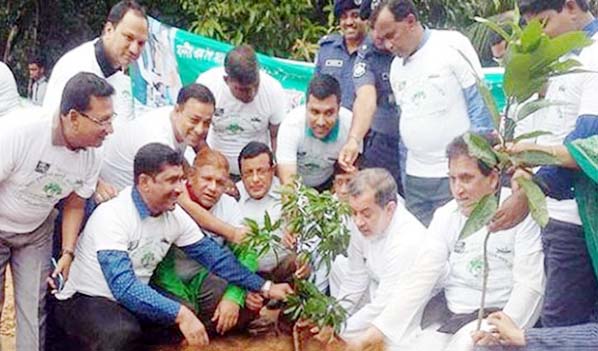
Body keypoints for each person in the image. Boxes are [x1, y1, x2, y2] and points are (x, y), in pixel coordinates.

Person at [53, 143, 292, 350]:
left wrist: (265, 286)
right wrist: (180, 313)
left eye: (180, 179)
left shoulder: (174, 214)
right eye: (171, 181)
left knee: (171, 325)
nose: (180, 189)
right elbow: (123, 287)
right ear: (144, 182)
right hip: (88, 298)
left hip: (132, 299)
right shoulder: (113, 215)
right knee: (122, 334)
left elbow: (216, 259)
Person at [342, 134, 544, 351]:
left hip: (495, 319)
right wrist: (377, 332)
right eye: (452, 179)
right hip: (450, 317)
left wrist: (506, 331)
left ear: (493, 178)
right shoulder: (446, 215)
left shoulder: (518, 213)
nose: (458, 189)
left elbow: (529, 285)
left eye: (466, 178)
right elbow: (421, 277)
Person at [490, 0, 598, 328]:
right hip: (556, 212)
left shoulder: (593, 56)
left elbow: (585, 142)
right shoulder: (564, 58)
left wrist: (530, 185)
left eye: (546, 23)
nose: (542, 36)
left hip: (576, 216)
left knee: (560, 325)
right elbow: (552, 127)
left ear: (570, 7)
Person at [0, 72, 114, 350]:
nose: (110, 129)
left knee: (33, 306)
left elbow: (75, 202)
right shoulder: (19, 131)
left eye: (112, 119)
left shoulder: (93, 152)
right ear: (73, 117)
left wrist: (67, 252)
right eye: (103, 121)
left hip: (37, 230)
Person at [372, 0, 494, 226]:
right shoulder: (396, 68)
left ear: (410, 21)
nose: (388, 45)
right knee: (423, 249)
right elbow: (405, 124)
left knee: (460, 243)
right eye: (383, 39)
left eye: (391, 35)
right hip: (416, 177)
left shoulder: (452, 45)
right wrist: (406, 179)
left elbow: (480, 107)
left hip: (454, 176)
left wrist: (476, 168)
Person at [328, 168, 425, 340]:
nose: (358, 222)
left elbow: (385, 304)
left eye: (366, 214)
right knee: (339, 266)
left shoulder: (408, 240)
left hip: (417, 308)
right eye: (354, 212)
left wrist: (339, 332)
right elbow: (355, 277)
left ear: (390, 209)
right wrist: (332, 319)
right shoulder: (359, 221)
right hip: (379, 287)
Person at [43, 0, 148, 124]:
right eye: (128, 38)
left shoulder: (126, 77)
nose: (134, 50)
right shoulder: (75, 66)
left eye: (141, 43)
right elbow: (53, 127)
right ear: (109, 30)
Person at [338, 0, 403, 193]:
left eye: (382, 26)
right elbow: (366, 99)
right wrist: (354, 140)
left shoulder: (413, 47)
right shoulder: (366, 55)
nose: (377, 34)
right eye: (371, 26)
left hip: (420, 145)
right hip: (384, 143)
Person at [195, 44, 287, 178]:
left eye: (255, 86)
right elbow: (196, 135)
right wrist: (216, 170)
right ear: (226, 80)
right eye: (242, 90)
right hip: (215, 169)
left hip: (256, 173)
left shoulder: (273, 90)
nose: (251, 93)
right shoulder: (208, 86)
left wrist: (276, 171)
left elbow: (276, 136)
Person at [277, 74, 354, 191]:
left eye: (329, 113)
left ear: (339, 108)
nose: (321, 122)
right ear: (306, 107)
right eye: (315, 112)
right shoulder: (290, 126)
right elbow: (288, 185)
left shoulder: (350, 127)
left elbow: (350, 173)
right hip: (297, 184)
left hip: (328, 185)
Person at [315, 0, 368, 110]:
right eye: (344, 17)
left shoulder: (376, 52)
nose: (349, 22)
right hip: (331, 123)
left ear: (366, 19)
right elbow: (315, 92)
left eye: (355, 16)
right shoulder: (327, 50)